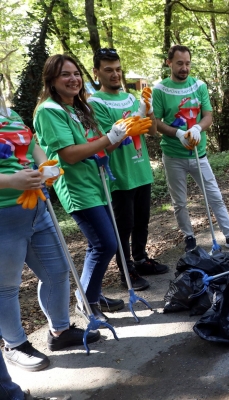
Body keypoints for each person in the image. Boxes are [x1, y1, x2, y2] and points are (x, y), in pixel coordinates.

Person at [0, 87, 100, 373]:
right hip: (4, 216)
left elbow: (32, 145)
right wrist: (11, 181)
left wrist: (46, 165)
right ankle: (14, 344)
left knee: (57, 271)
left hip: (37, 209)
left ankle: (60, 331)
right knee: (6, 287)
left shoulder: (11, 114)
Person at [34, 54, 129, 324]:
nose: (73, 79)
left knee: (99, 244)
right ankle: (87, 301)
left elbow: (97, 145)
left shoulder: (79, 108)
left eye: (76, 73)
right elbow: (70, 155)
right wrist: (107, 139)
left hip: (97, 183)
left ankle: (92, 294)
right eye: (65, 74)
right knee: (105, 244)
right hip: (76, 188)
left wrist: (117, 137)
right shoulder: (49, 111)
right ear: (51, 80)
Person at [152, 45, 229, 252]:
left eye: (187, 63)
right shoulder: (160, 90)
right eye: (179, 63)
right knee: (179, 201)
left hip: (199, 153)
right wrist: (178, 133)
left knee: (214, 195)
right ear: (169, 63)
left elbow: (208, 115)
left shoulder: (199, 86)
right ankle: (189, 236)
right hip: (173, 155)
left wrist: (198, 127)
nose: (184, 68)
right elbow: (155, 122)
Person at [88, 48, 169, 295]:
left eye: (118, 69)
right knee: (124, 225)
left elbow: (152, 132)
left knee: (142, 221)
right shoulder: (95, 103)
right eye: (108, 70)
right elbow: (104, 143)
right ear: (96, 73)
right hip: (118, 175)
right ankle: (127, 270)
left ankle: (141, 259)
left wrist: (149, 109)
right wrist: (128, 128)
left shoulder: (131, 98)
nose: (115, 74)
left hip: (141, 169)